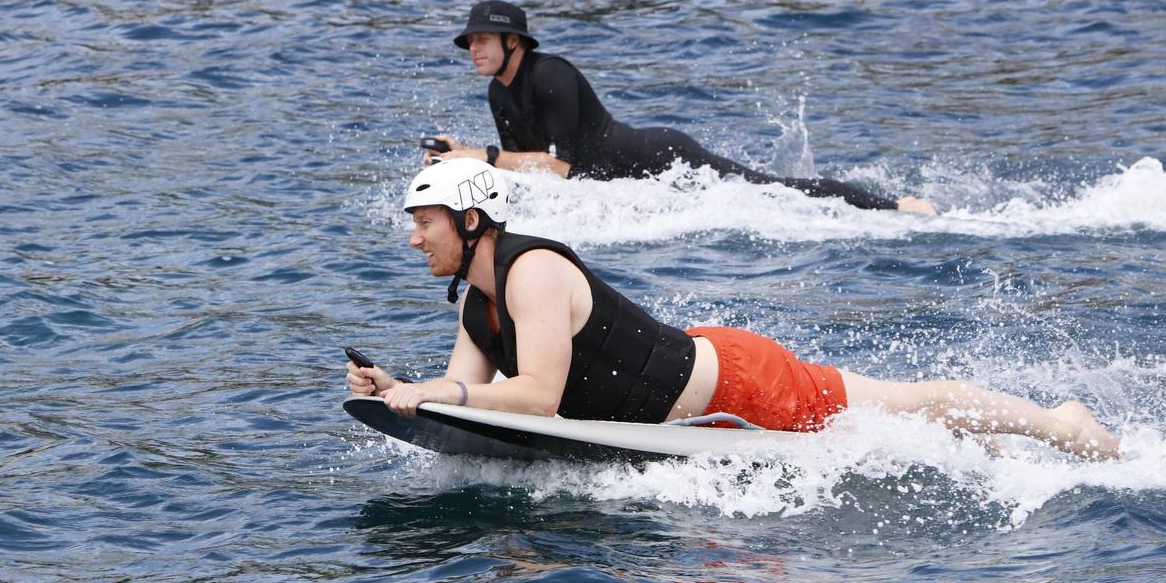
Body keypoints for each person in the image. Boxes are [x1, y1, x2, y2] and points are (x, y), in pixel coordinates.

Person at [348, 159, 1118, 460]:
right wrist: (402, 390)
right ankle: (1008, 437)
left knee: (902, 405)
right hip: (694, 385)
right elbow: (469, 396)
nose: (414, 238)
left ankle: (1059, 423)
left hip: (740, 387)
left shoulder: (535, 273)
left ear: (471, 221)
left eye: (425, 223)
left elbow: (539, 396)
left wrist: (437, 395)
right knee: (894, 412)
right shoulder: (479, 306)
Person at [427, 0, 937, 215]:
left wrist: (481, 157)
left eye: (482, 39)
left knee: (776, 193)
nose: (474, 49)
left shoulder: (551, 76)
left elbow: (560, 167)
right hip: (619, 178)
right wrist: (460, 166)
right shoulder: (498, 91)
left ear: (514, 42)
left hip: (662, 158)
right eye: (470, 41)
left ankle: (894, 207)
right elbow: (528, 169)